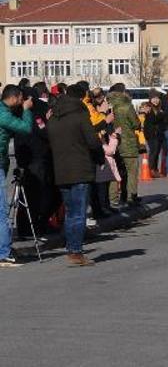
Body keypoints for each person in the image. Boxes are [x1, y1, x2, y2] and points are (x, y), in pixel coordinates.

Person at [47, 83, 103, 267]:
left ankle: (71, 247)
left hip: (60, 170)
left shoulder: (54, 118)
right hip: (80, 168)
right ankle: (76, 252)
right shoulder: (80, 116)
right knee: (79, 213)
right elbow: (93, 142)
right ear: (81, 98)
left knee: (71, 212)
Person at [13, 83, 58, 237]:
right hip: (36, 159)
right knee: (36, 195)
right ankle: (33, 226)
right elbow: (44, 133)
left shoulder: (19, 113)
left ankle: (26, 227)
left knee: (27, 196)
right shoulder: (35, 114)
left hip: (25, 158)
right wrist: (49, 121)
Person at [0, 85, 33, 267]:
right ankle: (3, 253)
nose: (22, 103)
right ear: (13, 98)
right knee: (2, 212)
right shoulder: (4, 115)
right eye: (21, 99)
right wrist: (27, 111)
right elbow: (25, 128)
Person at [107, 83, 142, 206]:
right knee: (131, 171)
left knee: (114, 172)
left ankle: (112, 198)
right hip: (128, 143)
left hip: (111, 143)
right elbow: (135, 124)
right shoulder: (127, 106)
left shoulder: (108, 105)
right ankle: (130, 196)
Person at [143, 92, 165, 178]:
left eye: (157, 98)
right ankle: (151, 169)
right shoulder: (149, 107)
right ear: (150, 99)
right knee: (154, 151)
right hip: (151, 134)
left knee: (157, 152)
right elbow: (153, 119)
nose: (156, 100)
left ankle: (155, 169)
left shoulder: (159, 108)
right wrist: (162, 114)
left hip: (158, 133)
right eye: (153, 98)